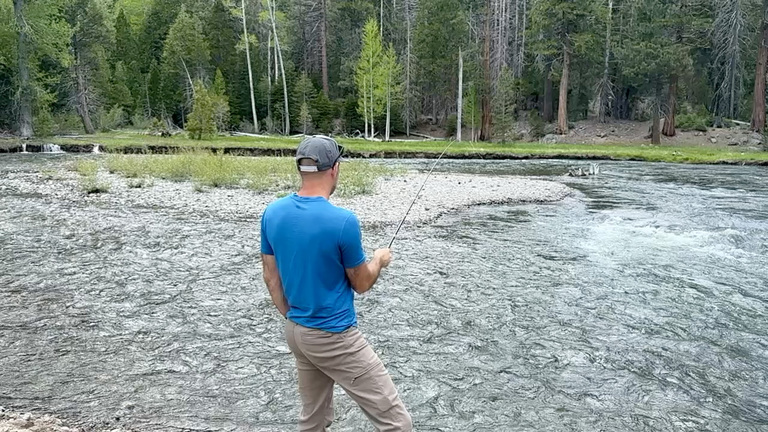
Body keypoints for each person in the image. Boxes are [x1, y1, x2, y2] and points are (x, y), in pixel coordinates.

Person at [260, 135, 412, 432]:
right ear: (335, 169)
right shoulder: (342, 221)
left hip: (297, 332)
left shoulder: (272, 213)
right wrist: (379, 259)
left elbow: (271, 277)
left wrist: (295, 318)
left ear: (301, 169)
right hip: (334, 336)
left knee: (313, 422)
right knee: (398, 424)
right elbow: (362, 282)